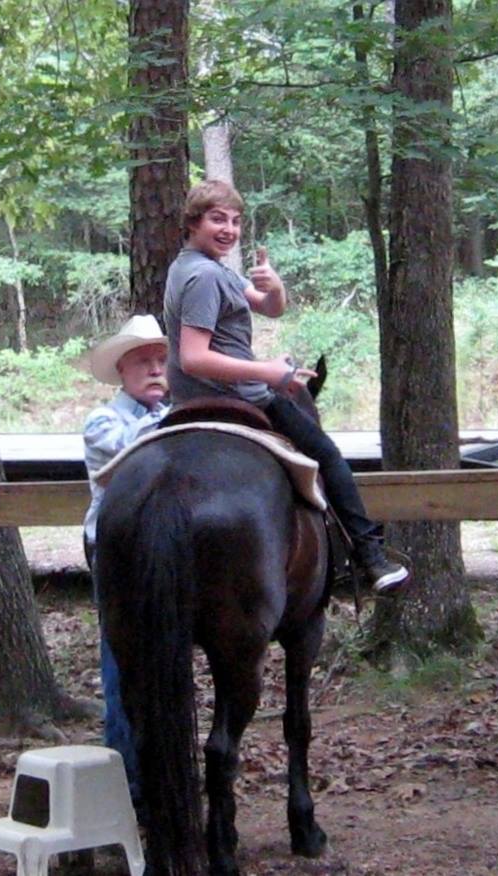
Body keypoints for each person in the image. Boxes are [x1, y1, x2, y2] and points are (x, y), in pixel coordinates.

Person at [163, 178, 409, 592]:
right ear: (193, 222)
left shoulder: (201, 266)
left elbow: (269, 308)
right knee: (328, 457)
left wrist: (274, 287)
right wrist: (268, 373)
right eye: (217, 219)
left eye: (236, 221)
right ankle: (371, 557)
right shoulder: (204, 277)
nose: (229, 229)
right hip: (234, 395)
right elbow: (193, 356)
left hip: (191, 400)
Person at [82, 313, 170, 811]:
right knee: (122, 662)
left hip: (167, 551)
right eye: (143, 363)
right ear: (122, 371)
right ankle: (126, 781)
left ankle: (161, 775)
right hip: (118, 552)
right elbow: (139, 462)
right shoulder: (104, 422)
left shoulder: (178, 415)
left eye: (162, 361)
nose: (156, 370)